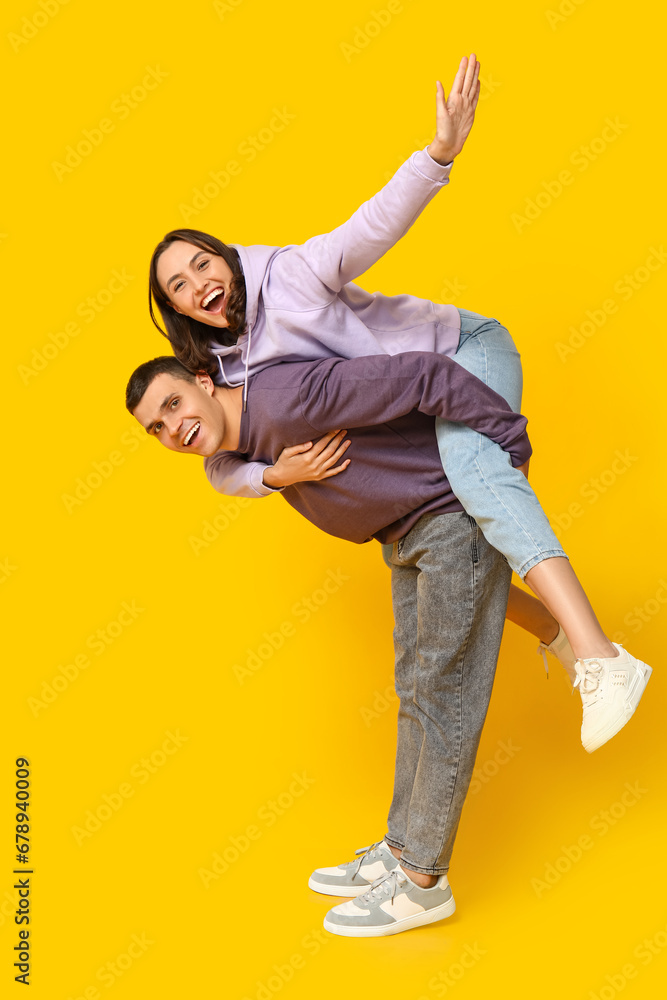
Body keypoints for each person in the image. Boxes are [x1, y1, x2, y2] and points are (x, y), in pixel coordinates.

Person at [146, 55, 651, 750]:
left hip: (458, 353)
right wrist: (272, 476)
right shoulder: (220, 373)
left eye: (201, 262)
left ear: (225, 259)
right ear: (177, 311)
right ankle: (557, 632)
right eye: (178, 284)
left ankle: (601, 658)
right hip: (409, 397)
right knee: (446, 542)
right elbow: (218, 464)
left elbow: (369, 227)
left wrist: (437, 154)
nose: (196, 282)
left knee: (478, 482)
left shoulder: (292, 276)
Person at [125, 351, 651, 937]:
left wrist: (508, 457)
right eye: (156, 428)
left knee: (443, 697)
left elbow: (424, 375)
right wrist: (276, 475)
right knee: (416, 693)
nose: (173, 428)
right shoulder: (236, 448)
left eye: (173, 405)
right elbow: (226, 476)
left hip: (449, 521)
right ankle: (403, 846)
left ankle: (424, 881)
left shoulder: (285, 396)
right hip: (405, 535)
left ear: (203, 381)